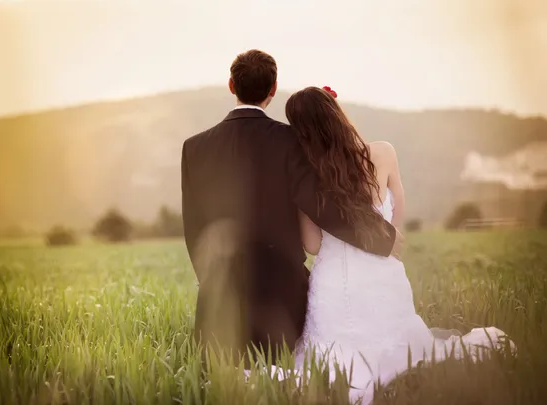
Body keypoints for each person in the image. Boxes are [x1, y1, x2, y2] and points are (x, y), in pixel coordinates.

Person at [286, 86, 514, 404]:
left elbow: (311, 245)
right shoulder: (383, 152)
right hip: (383, 276)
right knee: (404, 345)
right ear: (337, 115)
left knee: (324, 359)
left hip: (333, 288)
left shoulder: (307, 179)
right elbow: (396, 224)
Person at [181, 50, 402, 367]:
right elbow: (322, 206)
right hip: (282, 299)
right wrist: (381, 236)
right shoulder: (289, 140)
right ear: (273, 89)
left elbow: (194, 227)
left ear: (231, 85)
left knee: (220, 381)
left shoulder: (194, 148)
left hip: (220, 303)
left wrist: (214, 284)